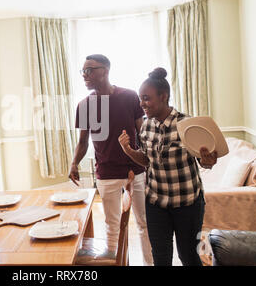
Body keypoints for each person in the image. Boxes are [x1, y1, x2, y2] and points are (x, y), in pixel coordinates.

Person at [118, 67, 217, 266]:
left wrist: (208, 160)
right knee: (161, 258)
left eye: (146, 98)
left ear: (164, 96)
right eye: (140, 98)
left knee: (188, 256)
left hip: (187, 204)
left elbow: (204, 160)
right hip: (156, 203)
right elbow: (147, 161)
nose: (141, 103)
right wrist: (128, 150)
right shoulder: (146, 125)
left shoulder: (187, 124)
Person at [69, 54, 153, 266]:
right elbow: (83, 142)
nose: (85, 75)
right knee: (112, 225)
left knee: (144, 224)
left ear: (105, 71)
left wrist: (150, 159)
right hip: (106, 173)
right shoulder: (84, 105)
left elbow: (142, 133)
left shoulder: (130, 96)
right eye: (83, 71)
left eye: (90, 70)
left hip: (136, 170)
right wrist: (73, 163)